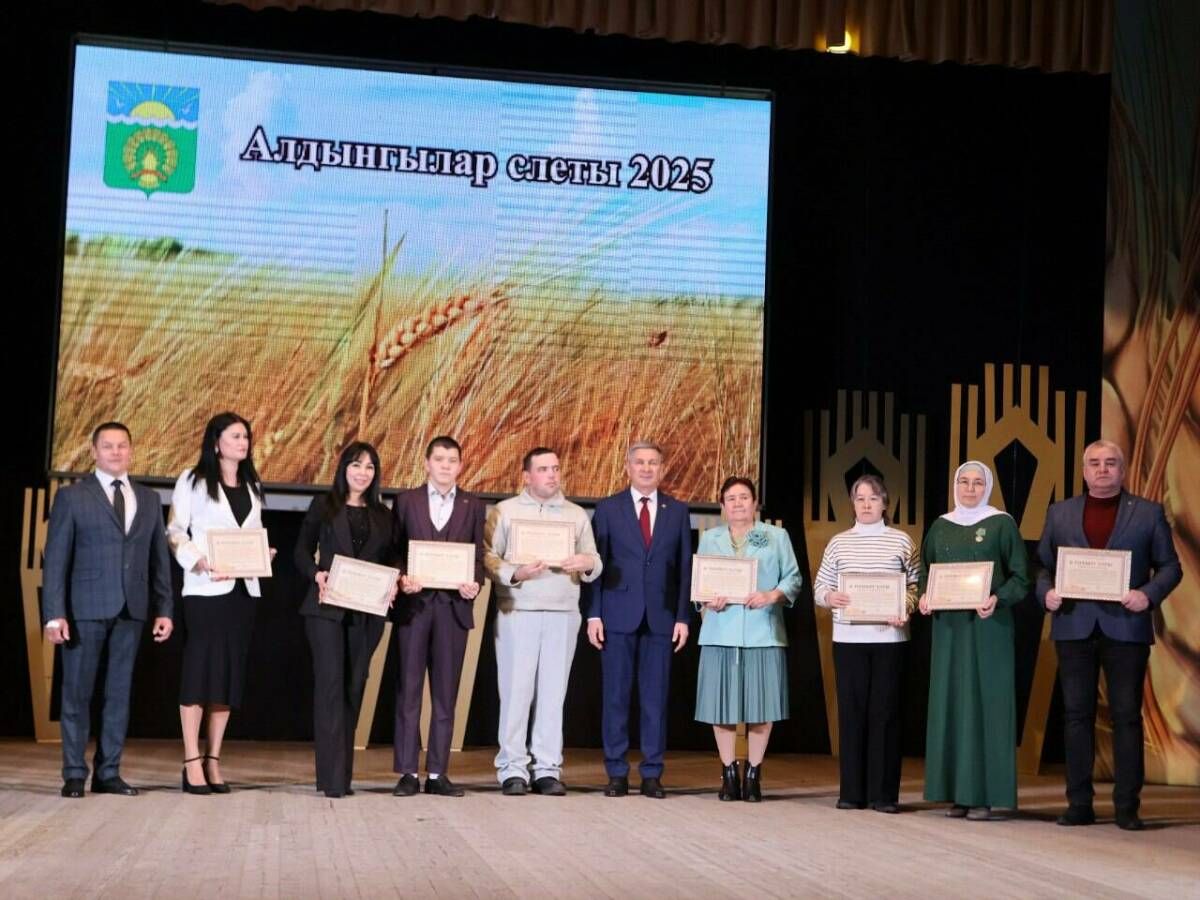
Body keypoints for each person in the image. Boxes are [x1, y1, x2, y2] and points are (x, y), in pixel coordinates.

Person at [1036, 440, 1181, 830]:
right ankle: (1079, 803)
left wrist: (1147, 595)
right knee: (1076, 716)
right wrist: (1046, 593)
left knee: (1126, 717)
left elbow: (1171, 567)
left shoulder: (1148, 513)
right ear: (1084, 471)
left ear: (1123, 469)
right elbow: (1042, 567)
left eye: (1111, 463)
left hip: (1126, 627)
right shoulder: (1060, 512)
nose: (1103, 469)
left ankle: (1127, 807)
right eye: (1095, 463)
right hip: (1074, 626)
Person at [42, 422, 174, 798]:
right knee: (77, 693)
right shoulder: (72, 497)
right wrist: (54, 613)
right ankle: (73, 773)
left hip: (131, 609)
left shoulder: (149, 499)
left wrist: (164, 608)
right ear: (94, 451)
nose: (116, 452)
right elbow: (56, 560)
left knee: (118, 694)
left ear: (131, 450)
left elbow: (158, 559)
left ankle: (109, 772)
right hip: (84, 609)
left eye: (122, 446)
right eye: (108, 446)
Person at [484, 447, 602, 796]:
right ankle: (512, 769)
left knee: (553, 695)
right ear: (526, 476)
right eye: (543, 469)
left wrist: (586, 563)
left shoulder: (576, 514)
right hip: (518, 611)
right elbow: (487, 557)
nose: (552, 474)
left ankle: (547, 768)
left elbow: (594, 559)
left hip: (563, 612)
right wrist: (515, 572)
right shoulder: (505, 511)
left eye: (555, 468)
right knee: (515, 693)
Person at [917, 460, 1030, 820]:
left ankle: (984, 795)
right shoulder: (940, 526)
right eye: (963, 482)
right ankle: (957, 794)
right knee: (952, 703)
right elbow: (925, 572)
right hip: (949, 630)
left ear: (988, 487)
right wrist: (924, 596)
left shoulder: (1001, 524)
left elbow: (1021, 577)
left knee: (986, 705)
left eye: (977, 483)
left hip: (988, 627)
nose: (970, 489)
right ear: (955, 486)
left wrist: (998, 598)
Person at [168, 412, 270, 795]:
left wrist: (263, 554)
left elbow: (252, 533)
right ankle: (191, 760)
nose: (242, 442)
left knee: (227, 676)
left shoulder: (253, 485)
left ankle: (213, 759)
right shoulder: (193, 480)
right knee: (200, 672)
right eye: (234, 436)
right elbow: (175, 531)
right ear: (216, 442)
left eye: (245, 436)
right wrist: (198, 560)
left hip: (243, 592)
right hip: (205, 590)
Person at [586, 440, 692, 798]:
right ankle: (616, 772)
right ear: (628, 468)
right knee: (615, 698)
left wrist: (682, 617)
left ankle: (651, 773)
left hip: (662, 619)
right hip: (616, 616)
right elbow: (596, 566)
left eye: (653, 463)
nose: (646, 468)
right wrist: (594, 613)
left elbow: (685, 569)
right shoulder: (607, 509)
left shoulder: (677, 511)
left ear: (662, 469)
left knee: (655, 700)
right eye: (640, 462)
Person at [295, 441, 398, 799]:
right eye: (356, 465)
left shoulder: (385, 515)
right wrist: (316, 574)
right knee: (330, 688)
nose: (362, 473)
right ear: (343, 468)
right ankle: (332, 779)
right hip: (326, 609)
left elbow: (394, 558)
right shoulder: (324, 505)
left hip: (367, 613)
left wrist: (395, 580)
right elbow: (301, 551)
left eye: (370, 467)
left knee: (353, 687)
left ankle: (342, 776)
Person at [813, 474, 919, 813]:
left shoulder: (902, 541)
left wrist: (905, 607)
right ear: (853, 504)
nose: (866, 504)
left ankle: (883, 795)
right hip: (848, 639)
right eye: (860, 499)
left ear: (885, 503)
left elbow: (916, 586)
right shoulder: (839, 543)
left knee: (886, 714)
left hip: (890, 638)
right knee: (852, 713)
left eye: (873, 498)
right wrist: (830, 596)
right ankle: (851, 792)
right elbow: (819, 588)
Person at [694, 477, 801, 802]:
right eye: (731, 498)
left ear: (755, 503)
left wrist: (771, 595)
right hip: (720, 632)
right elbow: (699, 584)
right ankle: (729, 773)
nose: (738, 503)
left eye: (744, 497)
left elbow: (793, 578)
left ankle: (753, 773)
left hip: (763, 631)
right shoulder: (710, 538)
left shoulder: (776, 536)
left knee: (761, 707)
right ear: (722, 505)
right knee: (721, 707)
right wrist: (707, 600)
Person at [390, 436, 485, 797]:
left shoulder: (473, 505)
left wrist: (474, 583)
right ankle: (407, 772)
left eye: (452, 460)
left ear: (460, 465)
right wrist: (402, 577)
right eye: (440, 459)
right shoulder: (406, 501)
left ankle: (437, 773)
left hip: (452, 609)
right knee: (409, 691)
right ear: (427, 463)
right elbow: (395, 550)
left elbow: (477, 557)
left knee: (446, 694)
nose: (446, 465)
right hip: (414, 608)